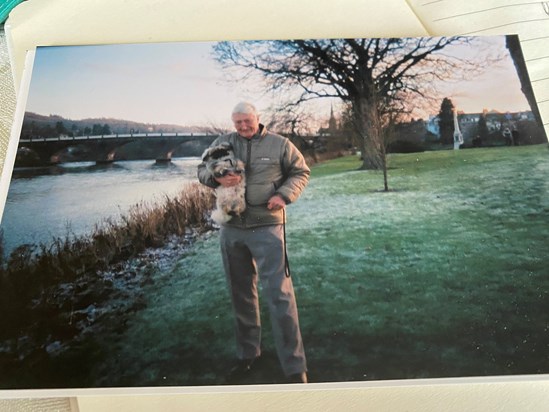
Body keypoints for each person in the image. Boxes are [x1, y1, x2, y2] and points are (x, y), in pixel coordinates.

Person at [197, 102, 310, 384]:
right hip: (231, 228)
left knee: (280, 296)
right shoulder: (222, 143)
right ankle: (248, 356)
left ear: (258, 118)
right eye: (238, 123)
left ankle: (295, 367)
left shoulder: (280, 144)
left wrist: (284, 196)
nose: (243, 127)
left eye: (247, 121)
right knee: (241, 294)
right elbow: (201, 171)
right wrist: (217, 177)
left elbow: (301, 172)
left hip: (268, 226)